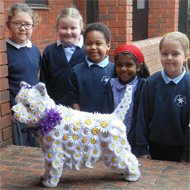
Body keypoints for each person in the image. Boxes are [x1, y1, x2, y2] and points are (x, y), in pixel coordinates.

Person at [136, 32, 190, 162]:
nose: (169, 58)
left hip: (182, 151)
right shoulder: (151, 83)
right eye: (165, 54)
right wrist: (143, 149)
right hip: (154, 149)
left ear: (186, 56)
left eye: (175, 54)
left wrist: (187, 155)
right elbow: (142, 117)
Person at [6, 3, 41, 146]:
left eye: (27, 24)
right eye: (17, 23)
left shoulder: (35, 50)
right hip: (16, 113)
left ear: (33, 26)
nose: (22, 28)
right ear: (8, 25)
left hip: (33, 111)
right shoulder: (4, 51)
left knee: (36, 148)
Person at [40, 8, 86, 106]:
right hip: (55, 108)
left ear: (81, 27)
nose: (68, 32)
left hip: (81, 109)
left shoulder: (87, 51)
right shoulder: (49, 51)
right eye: (64, 28)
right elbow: (44, 81)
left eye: (73, 28)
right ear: (57, 28)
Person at [110, 45, 150, 157]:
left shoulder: (144, 86)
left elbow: (145, 117)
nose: (123, 69)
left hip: (136, 140)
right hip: (113, 139)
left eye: (129, 65)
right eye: (119, 65)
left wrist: (144, 146)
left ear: (138, 67)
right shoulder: (109, 86)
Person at [69, 22, 114, 113]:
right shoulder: (76, 71)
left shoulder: (114, 70)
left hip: (109, 122)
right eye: (89, 44)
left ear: (108, 46)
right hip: (85, 122)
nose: (93, 47)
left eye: (98, 43)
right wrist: (81, 118)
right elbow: (73, 98)